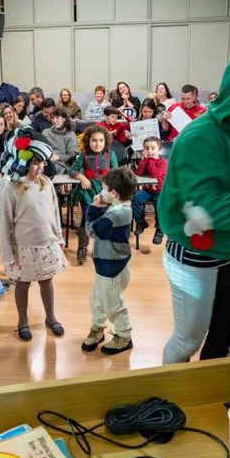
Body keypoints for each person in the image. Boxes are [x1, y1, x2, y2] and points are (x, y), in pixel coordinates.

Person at [158, 35, 230, 365]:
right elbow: (207, 208)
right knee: (187, 340)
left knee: (224, 336)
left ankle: (209, 392)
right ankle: (168, 392)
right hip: (194, 256)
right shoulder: (202, 137)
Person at [0, 127, 66, 341]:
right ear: (24, 161)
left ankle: (51, 318)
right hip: (23, 248)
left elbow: (55, 213)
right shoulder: (11, 188)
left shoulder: (46, 183)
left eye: (42, 163)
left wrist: (59, 236)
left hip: (46, 243)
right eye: (36, 163)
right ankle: (23, 321)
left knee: (47, 282)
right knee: (23, 284)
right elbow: (4, 224)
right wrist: (7, 255)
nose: (40, 167)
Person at [82, 167, 137, 355]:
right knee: (97, 299)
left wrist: (93, 208)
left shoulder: (116, 214)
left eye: (104, 189)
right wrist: (102, 204)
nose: (101, 192)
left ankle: (124, 336)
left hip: (112, 267)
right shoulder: (118, 206)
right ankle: (98, 327)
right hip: (106, 264)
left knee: (113, 305)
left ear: (114, 193)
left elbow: (91, 230)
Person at [69, 125, 118, 264]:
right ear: (88, 141)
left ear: (105, 141)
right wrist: (82, 177)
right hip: (88, 191)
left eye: (101, 140)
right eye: (94, 140)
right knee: (86, 218)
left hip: (105, 192)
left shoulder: (110, 155)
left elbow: (116, 173)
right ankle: (82, 248)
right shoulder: (84, 155)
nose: (97, 144)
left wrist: (110, 186)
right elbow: (72, 170)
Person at [132, 136, 167, 245]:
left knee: (159, 207)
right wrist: (143, 161)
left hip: (160, 191)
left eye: (152, 148)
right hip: (148, 190)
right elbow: (138, 173)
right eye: (146, 148)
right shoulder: (145, 160)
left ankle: (159, 231)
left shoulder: (162, 162)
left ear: (159, 150)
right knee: (136, 199)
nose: (149, 151)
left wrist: (150, 160)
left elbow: (154, 175)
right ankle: (141, 222)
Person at [42, 108, 78, 174]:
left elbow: (71, 154)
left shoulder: (70, 135)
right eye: (53, 118)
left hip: (60, 163)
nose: (54, 120)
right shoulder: (45, 132)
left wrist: (58, 157)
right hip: (44, 160)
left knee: (52, 169)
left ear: (64, 119)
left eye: (57, 118)